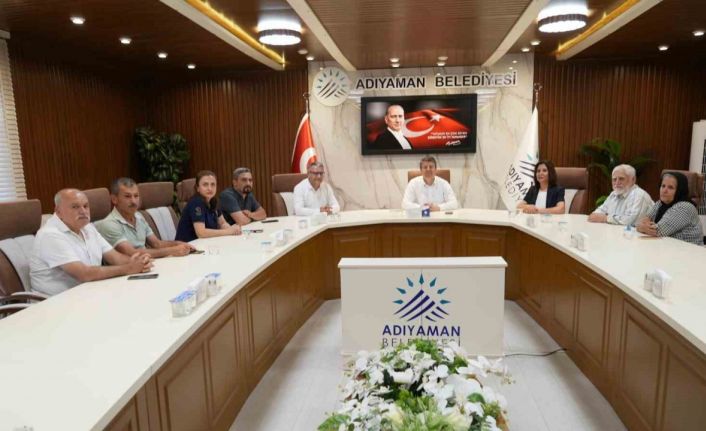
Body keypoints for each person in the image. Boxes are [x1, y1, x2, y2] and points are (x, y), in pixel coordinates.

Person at [30, 189, 153, 296]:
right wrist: (128, 268)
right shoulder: (50, 235)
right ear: (58, 211)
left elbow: (115, 258)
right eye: (75, 207)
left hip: (88, 293)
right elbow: (84, 274)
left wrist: (139, 262)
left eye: (86, 206)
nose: (83, 211)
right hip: (55, 303)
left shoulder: (87, 227)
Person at [96, 177, 195, 258]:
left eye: (136, 196)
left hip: (147, 264)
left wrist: (179, 244)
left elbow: (157, 244)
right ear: (114, 199)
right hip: (128, 272)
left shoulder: (139, 216)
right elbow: (131, 253)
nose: (134, 201)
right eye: (127, 196)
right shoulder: (109, 224)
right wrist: (172, 250)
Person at [637, 171, 704, 245]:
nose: (664, 190)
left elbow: (658, 231)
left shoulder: (685, 207)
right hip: (667, 246)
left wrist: (640, 226)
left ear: (679, 190)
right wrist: (641, 225)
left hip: (689, 249)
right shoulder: (660, 203)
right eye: (663, 186)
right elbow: (645, 219)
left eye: (670, 187)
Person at [175, 170, 242, 242]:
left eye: (213, 184)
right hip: (187, 245)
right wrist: (228, 232)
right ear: (198, 188)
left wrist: (232, 230)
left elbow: (222, 223)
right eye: (205, 185)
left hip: (205, 243)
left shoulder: (213, 201)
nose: (210, 188)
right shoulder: (196, 202)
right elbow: (201, 233)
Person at [588, 164, 653, 225]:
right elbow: (599, 212)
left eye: (621, 179)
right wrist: (595, 215)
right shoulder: (614, 194)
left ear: (633, 180)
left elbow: (631, 221)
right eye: (614, 179)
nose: (617, 183)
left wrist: (605, 218)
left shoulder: (638, 195)